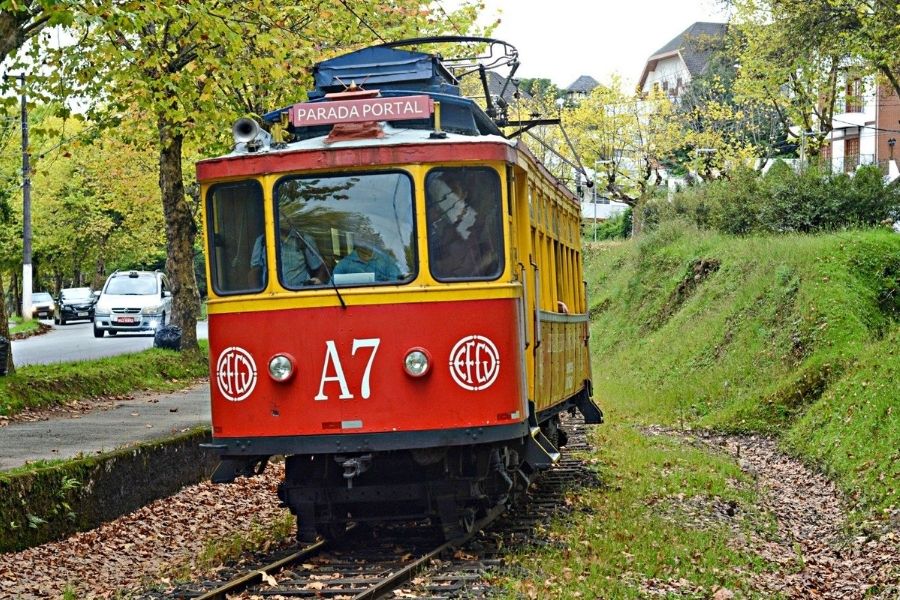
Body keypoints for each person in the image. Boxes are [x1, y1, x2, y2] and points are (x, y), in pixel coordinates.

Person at [250, 217, 327, 287]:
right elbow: (255, 271)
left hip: (299, 295)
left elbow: (320, 268)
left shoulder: (303, 240)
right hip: (272, 295)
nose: (284, 219)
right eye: (279, 216)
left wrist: (317, 281)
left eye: (287, 216)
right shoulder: (262, 241)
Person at [333, 241, 401, 282]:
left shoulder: (387, 261)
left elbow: (398, 282)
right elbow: (332, 285)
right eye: (361, 240)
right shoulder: (344, 264)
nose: (365, 244)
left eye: (368, 240)